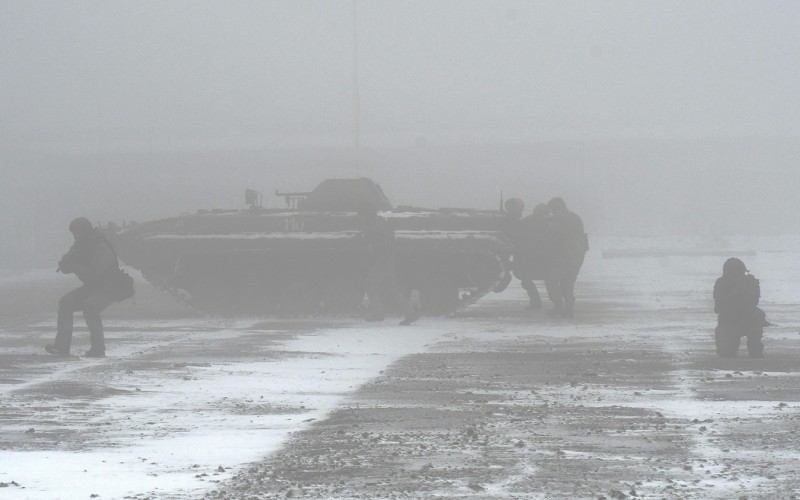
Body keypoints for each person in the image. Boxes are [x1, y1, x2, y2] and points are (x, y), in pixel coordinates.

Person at [45, 217, 119, 357]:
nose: (75, 236)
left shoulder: (100, 245)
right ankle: (61, 346)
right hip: (94, 287)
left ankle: (98, 349)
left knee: (91, 307)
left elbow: (94, 273)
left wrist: (73, 267)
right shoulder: (80, 245)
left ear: (86, 230)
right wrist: (65, 264)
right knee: (66, 303)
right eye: (74, 233)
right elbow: (70, 261)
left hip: (110, 288)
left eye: (78, 232)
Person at [359, 205, 419, 326]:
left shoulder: (376, 225)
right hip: (385, 259)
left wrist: (374, 247)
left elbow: (389, 243)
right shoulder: (377, 223)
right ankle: (409, 313)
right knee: (391, 289)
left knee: (370, 283)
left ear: (368, 214)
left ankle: (378, 312)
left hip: (383, 259)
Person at [713, 257, 766, 358]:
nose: (736, 276)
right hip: (728, 321)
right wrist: (734, 293)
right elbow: (718, 307)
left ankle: (754, 349)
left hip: (749, 319)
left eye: (738, 273)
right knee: (727, 355)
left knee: (755, 352)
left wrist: (744, 290)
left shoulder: (750, 282)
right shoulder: (721, 283)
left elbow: (754, 302)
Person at [544, 197, 588, 317]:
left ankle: (559, 306)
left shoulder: (560, 220)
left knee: (552, 280)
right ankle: (568, 308)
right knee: (567, 282)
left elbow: (555, 236)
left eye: (553, 210)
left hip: (567, 253)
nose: (552, 212)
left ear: (559, 208)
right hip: (577, 253)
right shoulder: (573, 217)